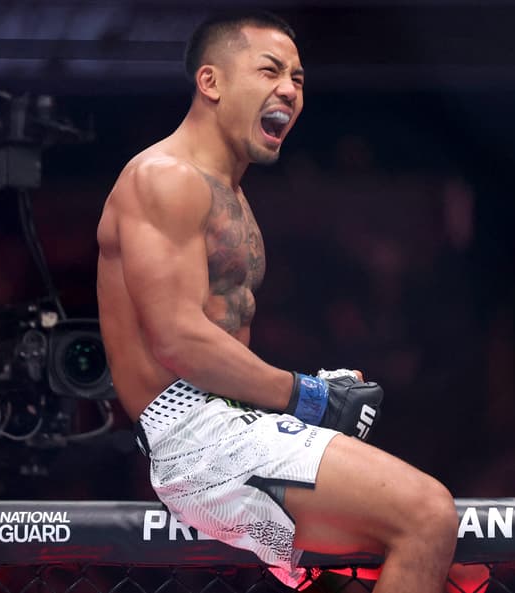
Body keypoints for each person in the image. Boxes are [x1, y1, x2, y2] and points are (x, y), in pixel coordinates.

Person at [95, 11, 458, 591]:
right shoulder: (163, 177)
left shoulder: (228, 194)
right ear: (211, 83)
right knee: (427, 515)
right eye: (269, 71)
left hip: (231, 419)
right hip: (191, 433)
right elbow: (177, 338)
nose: (288, 89)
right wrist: (306, 396)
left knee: (456, 569)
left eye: (298, 77)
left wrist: (302, 395)